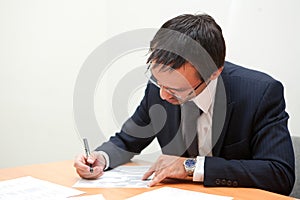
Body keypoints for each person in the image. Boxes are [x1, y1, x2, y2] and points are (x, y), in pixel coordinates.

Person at [74, 13, 295, 195]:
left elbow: (279, 173)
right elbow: (127, 140)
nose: (163, 95)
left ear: (214, 73)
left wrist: (191, 167)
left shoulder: (260, 93)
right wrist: (100, 159)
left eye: (177, 90)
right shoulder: (160, 89)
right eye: (157, 81)